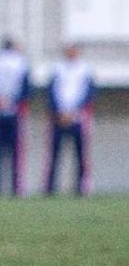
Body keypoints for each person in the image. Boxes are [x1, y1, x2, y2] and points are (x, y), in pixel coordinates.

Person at [0, 38, 31, 196]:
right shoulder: (21, 62)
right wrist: (12, 101)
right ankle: (16, 188)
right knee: (16, 152)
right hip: (14, 111)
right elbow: (27, 87)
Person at [46, 44, 95, 195]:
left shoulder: (85, 69)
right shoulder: (57, 69)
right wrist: (59, 111)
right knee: (54, 154)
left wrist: (75, 110)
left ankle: (81, 187)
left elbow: (90, 92)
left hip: (77, 117)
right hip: (59, 117)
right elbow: (51, 92)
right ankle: (50, 188)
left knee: (80, 154)